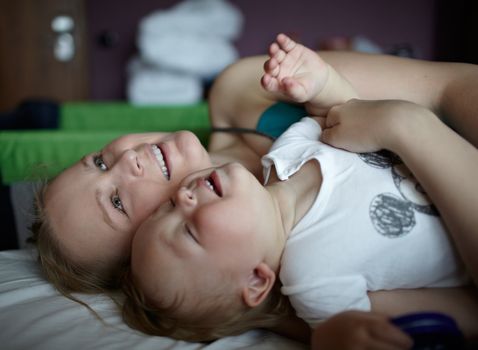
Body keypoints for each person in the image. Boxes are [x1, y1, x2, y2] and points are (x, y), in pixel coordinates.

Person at [121, 34, 478, 346]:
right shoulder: (313, 281)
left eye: (168, 205)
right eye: (189, 230)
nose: (183, 197)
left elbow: (351, 114)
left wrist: (321, 84)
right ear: (255, 280)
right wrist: (333, 335)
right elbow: (447, 314)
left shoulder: (283, 154)